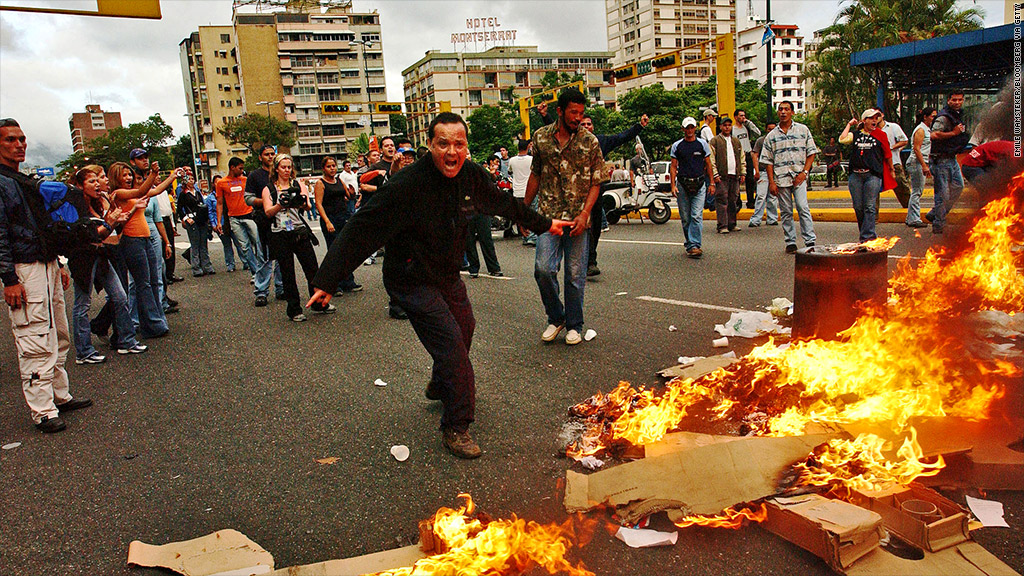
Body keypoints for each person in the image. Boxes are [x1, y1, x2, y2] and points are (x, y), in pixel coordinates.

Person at [307, 112, 571, 459]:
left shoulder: (472, 176)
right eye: (442, 143)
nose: (451, 151)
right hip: (410, 278)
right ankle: (456, 426)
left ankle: (440, 381)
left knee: (466, 328)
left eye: (458, 144)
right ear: (430, 145)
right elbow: (361, 229)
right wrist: (327, 280)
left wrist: (545, 224)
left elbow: (505, 204)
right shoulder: (406, 185)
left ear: (466, 147)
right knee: (451, 347)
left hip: (446, 274)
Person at [0, 118, 93, 432]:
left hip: (47, 262)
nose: (19, 145)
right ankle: (42, 410)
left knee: (58, 333)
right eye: (11, 140)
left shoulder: (21, 180)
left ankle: (58, 394)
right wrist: (9, 279)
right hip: (24, 268)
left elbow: (42, 225)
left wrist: (59, 262)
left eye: (22, 139)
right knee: (34, 336)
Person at [524, 89, 605, 345]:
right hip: (548, 217)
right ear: (560, 111)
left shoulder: (589, 141)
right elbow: (535, 175)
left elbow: (596, 181)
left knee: (574, 275)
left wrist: (585, 214)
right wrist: (523, 212)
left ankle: (574, 324)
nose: (578, 118)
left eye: (581, 113)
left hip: (578, 220)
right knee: (543, 270)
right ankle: (556, 317)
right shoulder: (541, 138)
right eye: (573, 113)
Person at [65, 167, 143, 365]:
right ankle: (83, 351)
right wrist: (109, 223)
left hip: (102, 256)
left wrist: (115, 221)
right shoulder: (74, 207)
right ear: (79, 185)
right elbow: (87, 237)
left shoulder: (97, 204)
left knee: (120, 296)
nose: (97, 185)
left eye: (97, 180)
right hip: (84, 259)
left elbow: (106, 233)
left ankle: (127, 340)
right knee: (82, 304)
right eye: (91, 181)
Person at [261, 153, 335, 322]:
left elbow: (308, 206)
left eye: (289, 167)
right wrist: (281, 204)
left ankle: (318, 302)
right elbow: (267, 211)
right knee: (287, 273)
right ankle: (294, 309)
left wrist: (299, 201)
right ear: (277, 169)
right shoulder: (269, 188)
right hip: (280, 233)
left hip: (299, 231)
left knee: (312, 269)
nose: (287, 170)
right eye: (283, 167)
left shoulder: (297, 184)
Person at [109, 160, 176, 337]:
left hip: (145, 240)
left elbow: (155, 190)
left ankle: (156, 320)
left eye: (129, 174)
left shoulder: (133, 195)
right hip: (132, 241)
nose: (129, 177)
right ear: (116, 178)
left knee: (154, 281)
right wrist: (152, 174)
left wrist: (172, 176)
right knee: (143, 284)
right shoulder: (119, 193)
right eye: (124, 175)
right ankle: (151, 325)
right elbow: (141, 191)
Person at [579, 112, 649, 277]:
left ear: (593, 127)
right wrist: (545, 116)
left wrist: (639, 126)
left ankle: (590, 261)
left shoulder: (601, 141)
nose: (586, 127)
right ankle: (580, 259)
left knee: (595, 226)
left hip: (595, 190)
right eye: (582, 124)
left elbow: (622, 137)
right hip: (575, 193)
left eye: (589, 124)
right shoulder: (571, 142)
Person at [216, 157, 273, 306]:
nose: (242, 171)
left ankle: (260, 273)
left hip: (249, 215)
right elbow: (220, 203)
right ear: (232, 167)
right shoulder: (221, 183)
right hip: (234, 218)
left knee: (259, 244)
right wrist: (219, 221)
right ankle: (255, 272)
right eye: (240, 168)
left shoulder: (246, 179)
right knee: (244, 246)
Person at [762, 101, 818, 254]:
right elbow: (768, 161)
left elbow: (811, 152)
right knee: (786, 212)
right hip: (781, 179)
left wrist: (804, 172)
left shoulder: (803, 130)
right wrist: (771, 182)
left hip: (799, 177)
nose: (783, 112)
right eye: (780, 109)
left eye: (786, 109)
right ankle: (791, 242)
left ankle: (810, 240)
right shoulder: (771, 136)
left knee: (802, 207)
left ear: (792, 112)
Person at [840, 109, 894, 242]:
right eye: (871, 118)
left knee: (869, 206)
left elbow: (887, 153)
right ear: (864, 120)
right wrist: (849, 124)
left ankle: (868, 236)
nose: (874, 120)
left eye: (876, 118)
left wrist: (891, 169)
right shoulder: (856, 135)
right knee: (858, 207)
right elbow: (842, 139)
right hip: (856, 175)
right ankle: (864, 232)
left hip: (872, 175)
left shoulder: (881, 135)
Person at [313, 156, 361, 293]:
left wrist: (351, 193)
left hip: (343, 217)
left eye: (334, 165)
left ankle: (348, 282)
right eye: (329, 166)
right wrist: (327, 221)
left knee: (345, 250)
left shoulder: (339, 180)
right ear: (323, 168)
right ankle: (334, 284)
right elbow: (318, 204)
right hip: (330, 219)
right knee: (334, 253)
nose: (332, 168)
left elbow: (348, 195)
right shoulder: (320, 183)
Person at [670, 117, 715, 259]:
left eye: (692, 127)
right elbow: (673, 166)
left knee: (696, 215)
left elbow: (708, 165)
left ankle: (695, 244)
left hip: (699, 183)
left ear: (695, 128)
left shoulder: (702, 144)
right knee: (685, 217)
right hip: (683, 184)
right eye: (687, 128)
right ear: (683, 129)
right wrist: (672, 185)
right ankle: (690, 243)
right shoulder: (677, 146)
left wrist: (712, 183)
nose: (689, 130)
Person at [245, 144, 285, 299]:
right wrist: (267, 202)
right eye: (267, 154)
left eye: (272, 154)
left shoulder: (281, 173)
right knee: (265, 258)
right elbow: (248, 198)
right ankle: (261, 291)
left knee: (283, 256)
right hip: (264, 221)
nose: (270, 157)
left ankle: (281, 288)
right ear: (260, 157)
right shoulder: (255, 176)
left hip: (282, 219)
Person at [927, 91, 970, 234]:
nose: (957, 102)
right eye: (954, 100)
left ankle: (935, 214)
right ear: (949, 100)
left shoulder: (957, 116)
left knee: (958, 186)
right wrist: (953, 133)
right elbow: (933, 135)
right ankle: (938, 223)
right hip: (940, 160)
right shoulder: (944, 117)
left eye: (960, 100)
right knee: (942, 194)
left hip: (951, 159)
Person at [465, 155, 504, 278]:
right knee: (469, 240)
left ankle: (494, 268)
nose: (466, 156)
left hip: (482, 210)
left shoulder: (479, 169)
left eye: (468, 153)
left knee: (486, 238)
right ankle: (473, 268)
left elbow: (491, 182)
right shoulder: (453, 173)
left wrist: (492, 174)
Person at [709, 116, 745, 234]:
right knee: (722, 201)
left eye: (729, 125)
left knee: (733, 200)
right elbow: (711, 159)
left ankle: (732, 224)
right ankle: (722, 225)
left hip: (734, 175)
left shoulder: (736, 141)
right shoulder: (715, 141)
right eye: (725, 125)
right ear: (720, 127)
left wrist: (742, 172)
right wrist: (715, 174)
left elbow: (741, 157)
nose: (727, 127)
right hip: (721, 176)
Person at [176, 172, 215, 277]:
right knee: (195, 244)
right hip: (191, 220)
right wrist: (186, 218)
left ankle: (207, 266)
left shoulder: (197, 193)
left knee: (203, 244)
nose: (191, 181)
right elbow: (179, 209)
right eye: (189, 179)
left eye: (193, 179)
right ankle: (196, 268)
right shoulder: (183, 194)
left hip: (201, 219)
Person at [906, 107, 936, 228]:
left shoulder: (927, 129)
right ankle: (914, 218)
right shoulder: (921, 130)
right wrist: (924, 165)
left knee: (917, 190)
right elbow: (916, 148)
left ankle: (910, 217)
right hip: (916, 162)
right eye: (932, 116)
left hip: (920, 161)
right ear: (925, 117)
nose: (934, 118)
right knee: (917, 191)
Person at [748, 121, 780, 227]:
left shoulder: (778, 141)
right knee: (761, 196)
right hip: (763, 171)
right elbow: (755, 155)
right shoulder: (760, 141)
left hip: (775, 172)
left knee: (772, 196)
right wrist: (756, 171)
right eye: (769, 129)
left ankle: (772, 218)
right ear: (766, 129)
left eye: (773, 129)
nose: (771, 131)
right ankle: (756, 219)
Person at [878, 112, 910, 206]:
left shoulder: (893, 127)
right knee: (874, 190)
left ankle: (909, 208)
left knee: (901, 186)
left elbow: (904, 141)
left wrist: (891, 147)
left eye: (877, 116)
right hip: (878, 163)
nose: (875, 119)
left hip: (894, 161)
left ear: (882, 115)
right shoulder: (871, 129)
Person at [732, 109, 762, 208]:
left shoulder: (746, 127)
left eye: (744, 115)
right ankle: (738, 201)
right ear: (736, 117)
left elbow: (758, 133)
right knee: (738, 178)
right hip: (738, 155)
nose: (743, 117)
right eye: (741, 116)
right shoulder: (733, 130)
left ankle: (751, 200)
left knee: (750, 179)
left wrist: (748, 123)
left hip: (748, 154)